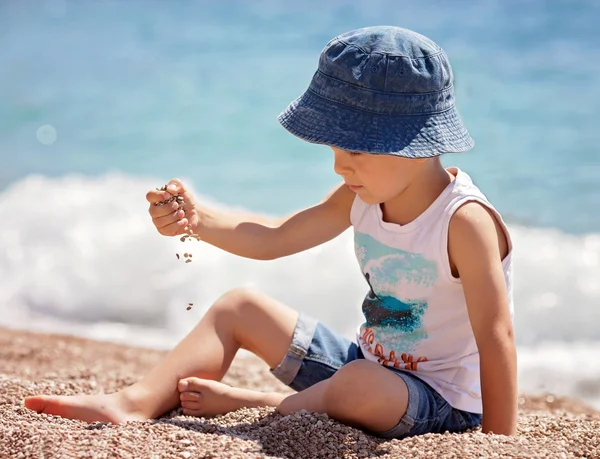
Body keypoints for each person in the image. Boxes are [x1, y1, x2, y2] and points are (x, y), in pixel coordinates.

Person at [24, 26, 517, 438]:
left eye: (356, 151)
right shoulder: (364, 195)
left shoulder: (463, 221)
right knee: (240, 307)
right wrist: (196, 219)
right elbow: (277, 236)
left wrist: (500, 443)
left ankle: (263, 403)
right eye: (334, 149)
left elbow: (496, 337)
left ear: (415, 142)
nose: (340, 165)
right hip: (363, 368)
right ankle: (133, 402)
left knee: (359, 383)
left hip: (440, 404)